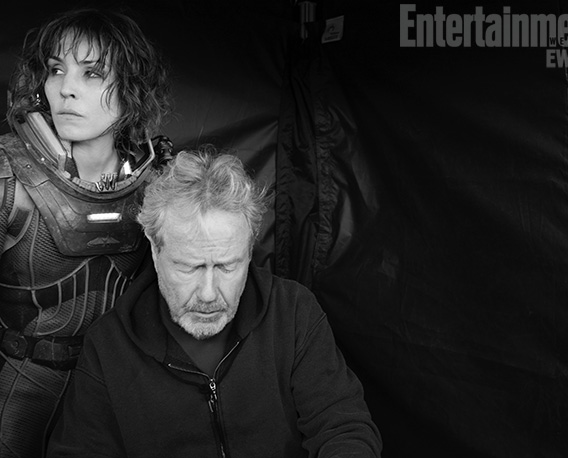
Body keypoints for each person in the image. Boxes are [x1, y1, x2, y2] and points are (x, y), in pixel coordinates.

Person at [47, 149, 382, 457]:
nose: (208, 294)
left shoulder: (293, 312)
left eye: (226, 267)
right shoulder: (109, 346)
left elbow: (343, 428)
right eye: (189, 268)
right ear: (154, 248)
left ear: (250, 248)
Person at [0, 7, 172, 457]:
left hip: (115, 391)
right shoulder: (6, 177)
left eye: (92, 73)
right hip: (15, 389)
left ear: (132, 89)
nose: (65, 88)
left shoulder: (161, 184)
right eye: (56, 70)